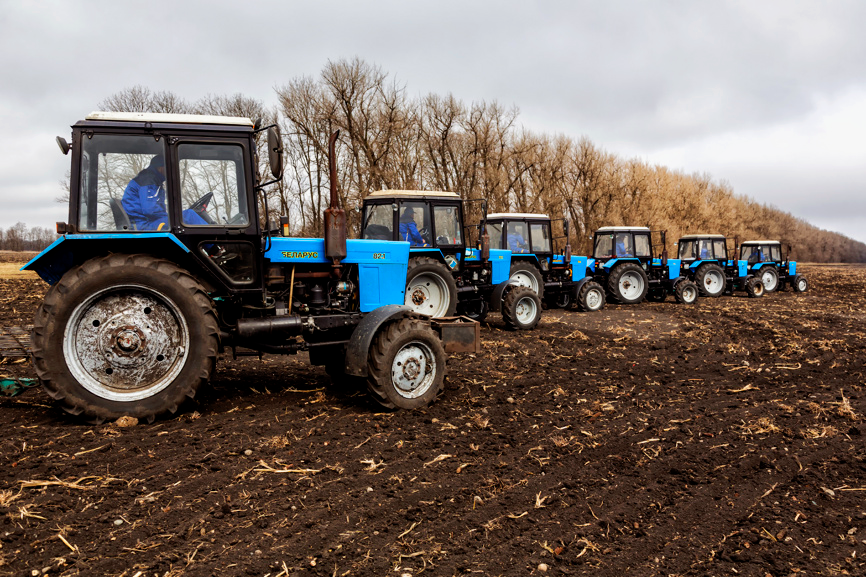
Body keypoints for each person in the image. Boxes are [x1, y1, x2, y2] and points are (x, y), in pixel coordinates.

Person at [122, 155, 208, 230]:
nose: (171, 171)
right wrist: (169, 217)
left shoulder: (152, 179)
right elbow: (150, 210)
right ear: (161, 167)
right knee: (189, 215)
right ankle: (215, 243)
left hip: (144, 223)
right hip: (143, 226)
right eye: (169, 167)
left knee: (184, 218)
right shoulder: (149, 180)